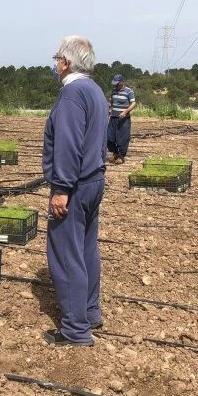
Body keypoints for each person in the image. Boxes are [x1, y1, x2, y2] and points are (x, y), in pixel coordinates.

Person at [42, 36, 107, 346]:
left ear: (65, 63)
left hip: (75, 184)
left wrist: (61, 188)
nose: (55, 64)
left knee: (67, 254)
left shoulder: (71, 93)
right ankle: (91, 311)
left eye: (57, 58)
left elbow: (68, 144)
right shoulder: (94, 90)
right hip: (94, 179)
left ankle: (75, 329)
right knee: (86, 249)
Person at [106, 73, 136, 164]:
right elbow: (112, 101)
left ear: (122, 82)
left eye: (117, 83)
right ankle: (115, 153)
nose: (116, 85)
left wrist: (125, 112)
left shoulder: (129, 91)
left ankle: (121, 156)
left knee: (122, 138)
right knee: (109, 138)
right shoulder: (114, 91)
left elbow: (134, 103)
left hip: (124, 119)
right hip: (113, 118)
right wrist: (110, 108)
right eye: (115, 83)